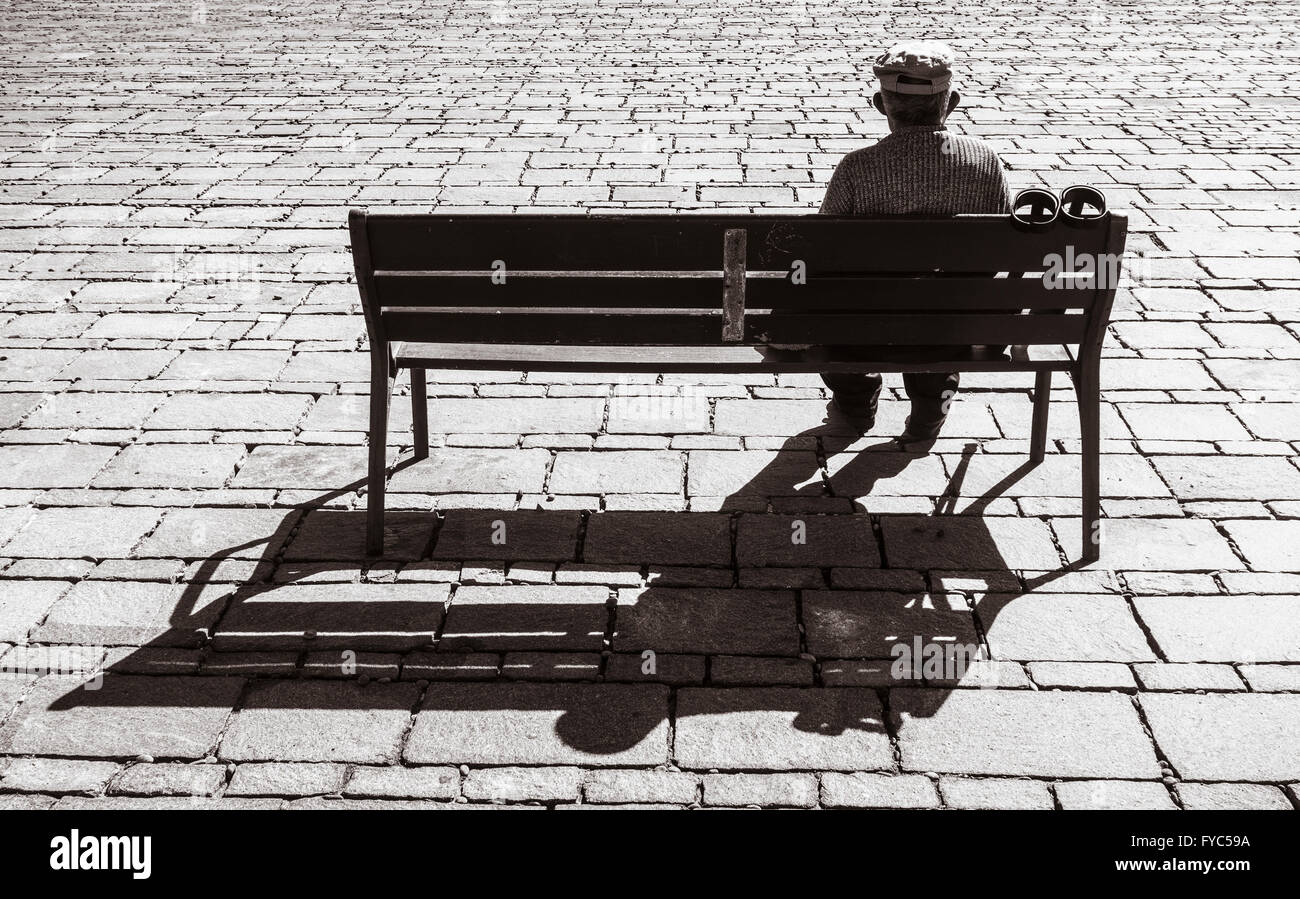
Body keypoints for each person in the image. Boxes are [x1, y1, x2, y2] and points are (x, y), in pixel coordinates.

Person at [819, 41, 1012, 443]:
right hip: (953, 324)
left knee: (831, 307)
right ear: (952, 101)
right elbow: (997, 250)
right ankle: (928, 408)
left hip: (865, 328)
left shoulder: (857, 168)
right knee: (945, 297)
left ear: (879, 104)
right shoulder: (986, 161)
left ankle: (855, 401)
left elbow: (822, 249)